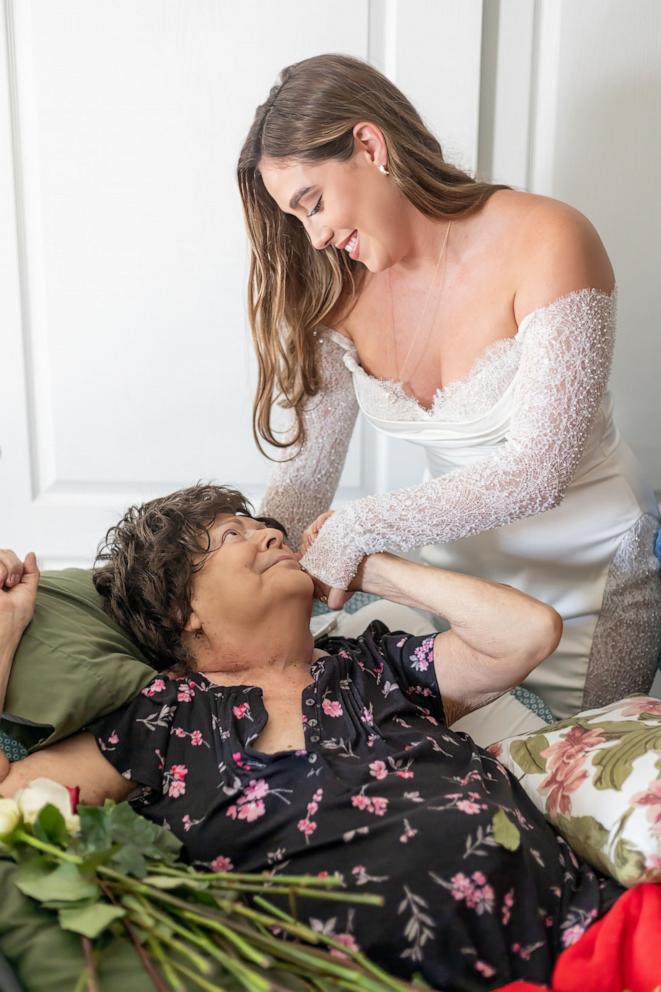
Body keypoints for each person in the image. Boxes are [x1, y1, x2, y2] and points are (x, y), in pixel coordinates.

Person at [0, 486, 623, 990]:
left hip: (595, 938)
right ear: (182, 609)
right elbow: (11, 801)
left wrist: (371, 566)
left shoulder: (374, 664)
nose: (271, 533)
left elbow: (527, 632)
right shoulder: (165, 721)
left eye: (258, 524)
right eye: (230, 536)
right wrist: (3, 635)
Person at [237, 52, 661, 720]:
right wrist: (223, 593)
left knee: (571, 784)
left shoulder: (547, 237)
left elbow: (534, 474)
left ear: (369, 145)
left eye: (311, 203)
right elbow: (301, 489)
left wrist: (360, 527)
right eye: (296, 219)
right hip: (448, 594)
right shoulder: (333, 290)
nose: (313, 236)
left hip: (590, 581)